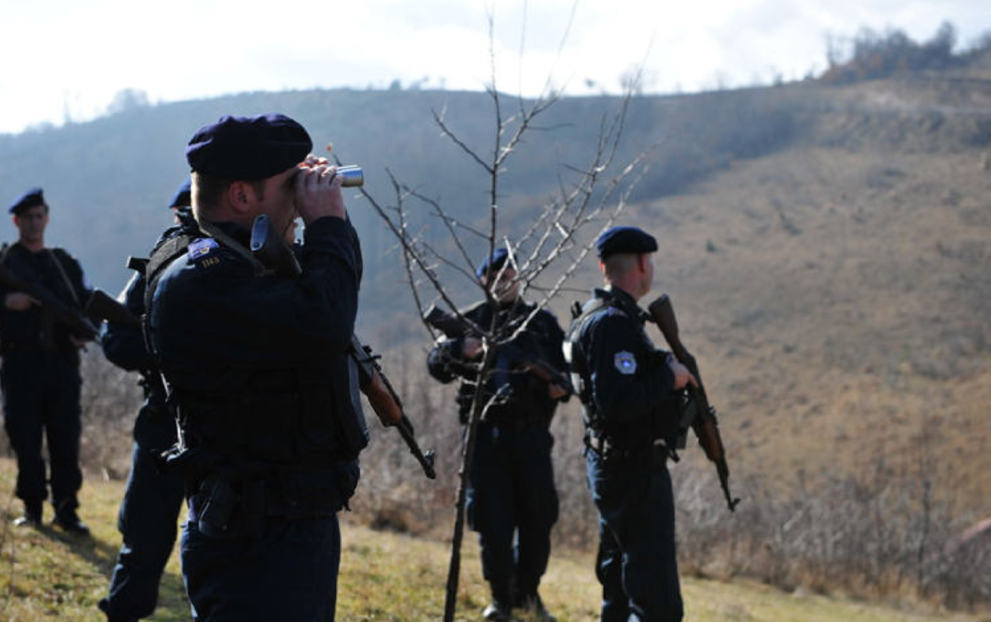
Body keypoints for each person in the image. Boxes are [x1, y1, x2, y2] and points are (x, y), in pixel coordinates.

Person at [145, 114, 366, 621]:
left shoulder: (246, 263)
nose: (303, 194)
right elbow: (325, 318)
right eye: (292, 184)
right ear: (243, 198)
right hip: (252, 541)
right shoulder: (203, 278)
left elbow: (319, 304)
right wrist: (330, 222)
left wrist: (315, 226)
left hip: (280, 525)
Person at [427, 248, 570, 622]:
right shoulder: (471, 320)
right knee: (493, 522)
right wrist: (462, 348)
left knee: (538, 519)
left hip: (533, 438)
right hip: (485, 441)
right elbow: (436, 366)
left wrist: (559, 386)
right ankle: (501, 600)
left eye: (511, 273)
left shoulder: (542, 324)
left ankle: (528, 594)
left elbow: (565, 372)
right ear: (484, 280)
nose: (507, 280)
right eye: (498, 275)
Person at [564, 226, 697, 622]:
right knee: (656, 603)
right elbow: (618, 402)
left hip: (613, 464)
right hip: (632, 469)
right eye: (649, 262)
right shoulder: (613, 324)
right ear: (641, 264)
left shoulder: (598, 317)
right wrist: (668, 378)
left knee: (620, 586)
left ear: (605, 267)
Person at [97, 180, 192, 622]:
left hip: (222, 426)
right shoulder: (162, 260)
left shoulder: (254, 259)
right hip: (164, 419)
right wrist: (162, 353)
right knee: (144, 532)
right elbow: (115, 337)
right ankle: (124, 610)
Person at [0, 188, 94, 534]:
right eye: (29, 218)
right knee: (25, 439)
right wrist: (7, 303)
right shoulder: (7, 264)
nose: (35, 223)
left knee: (65, 439)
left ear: (47, 219)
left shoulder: (63, 263)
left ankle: (67, 511)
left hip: (62, 365)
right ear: (16, 221)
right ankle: (32, 508)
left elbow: (84, 305)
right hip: (19, 365)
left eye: (40, 216)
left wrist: (84, 331)